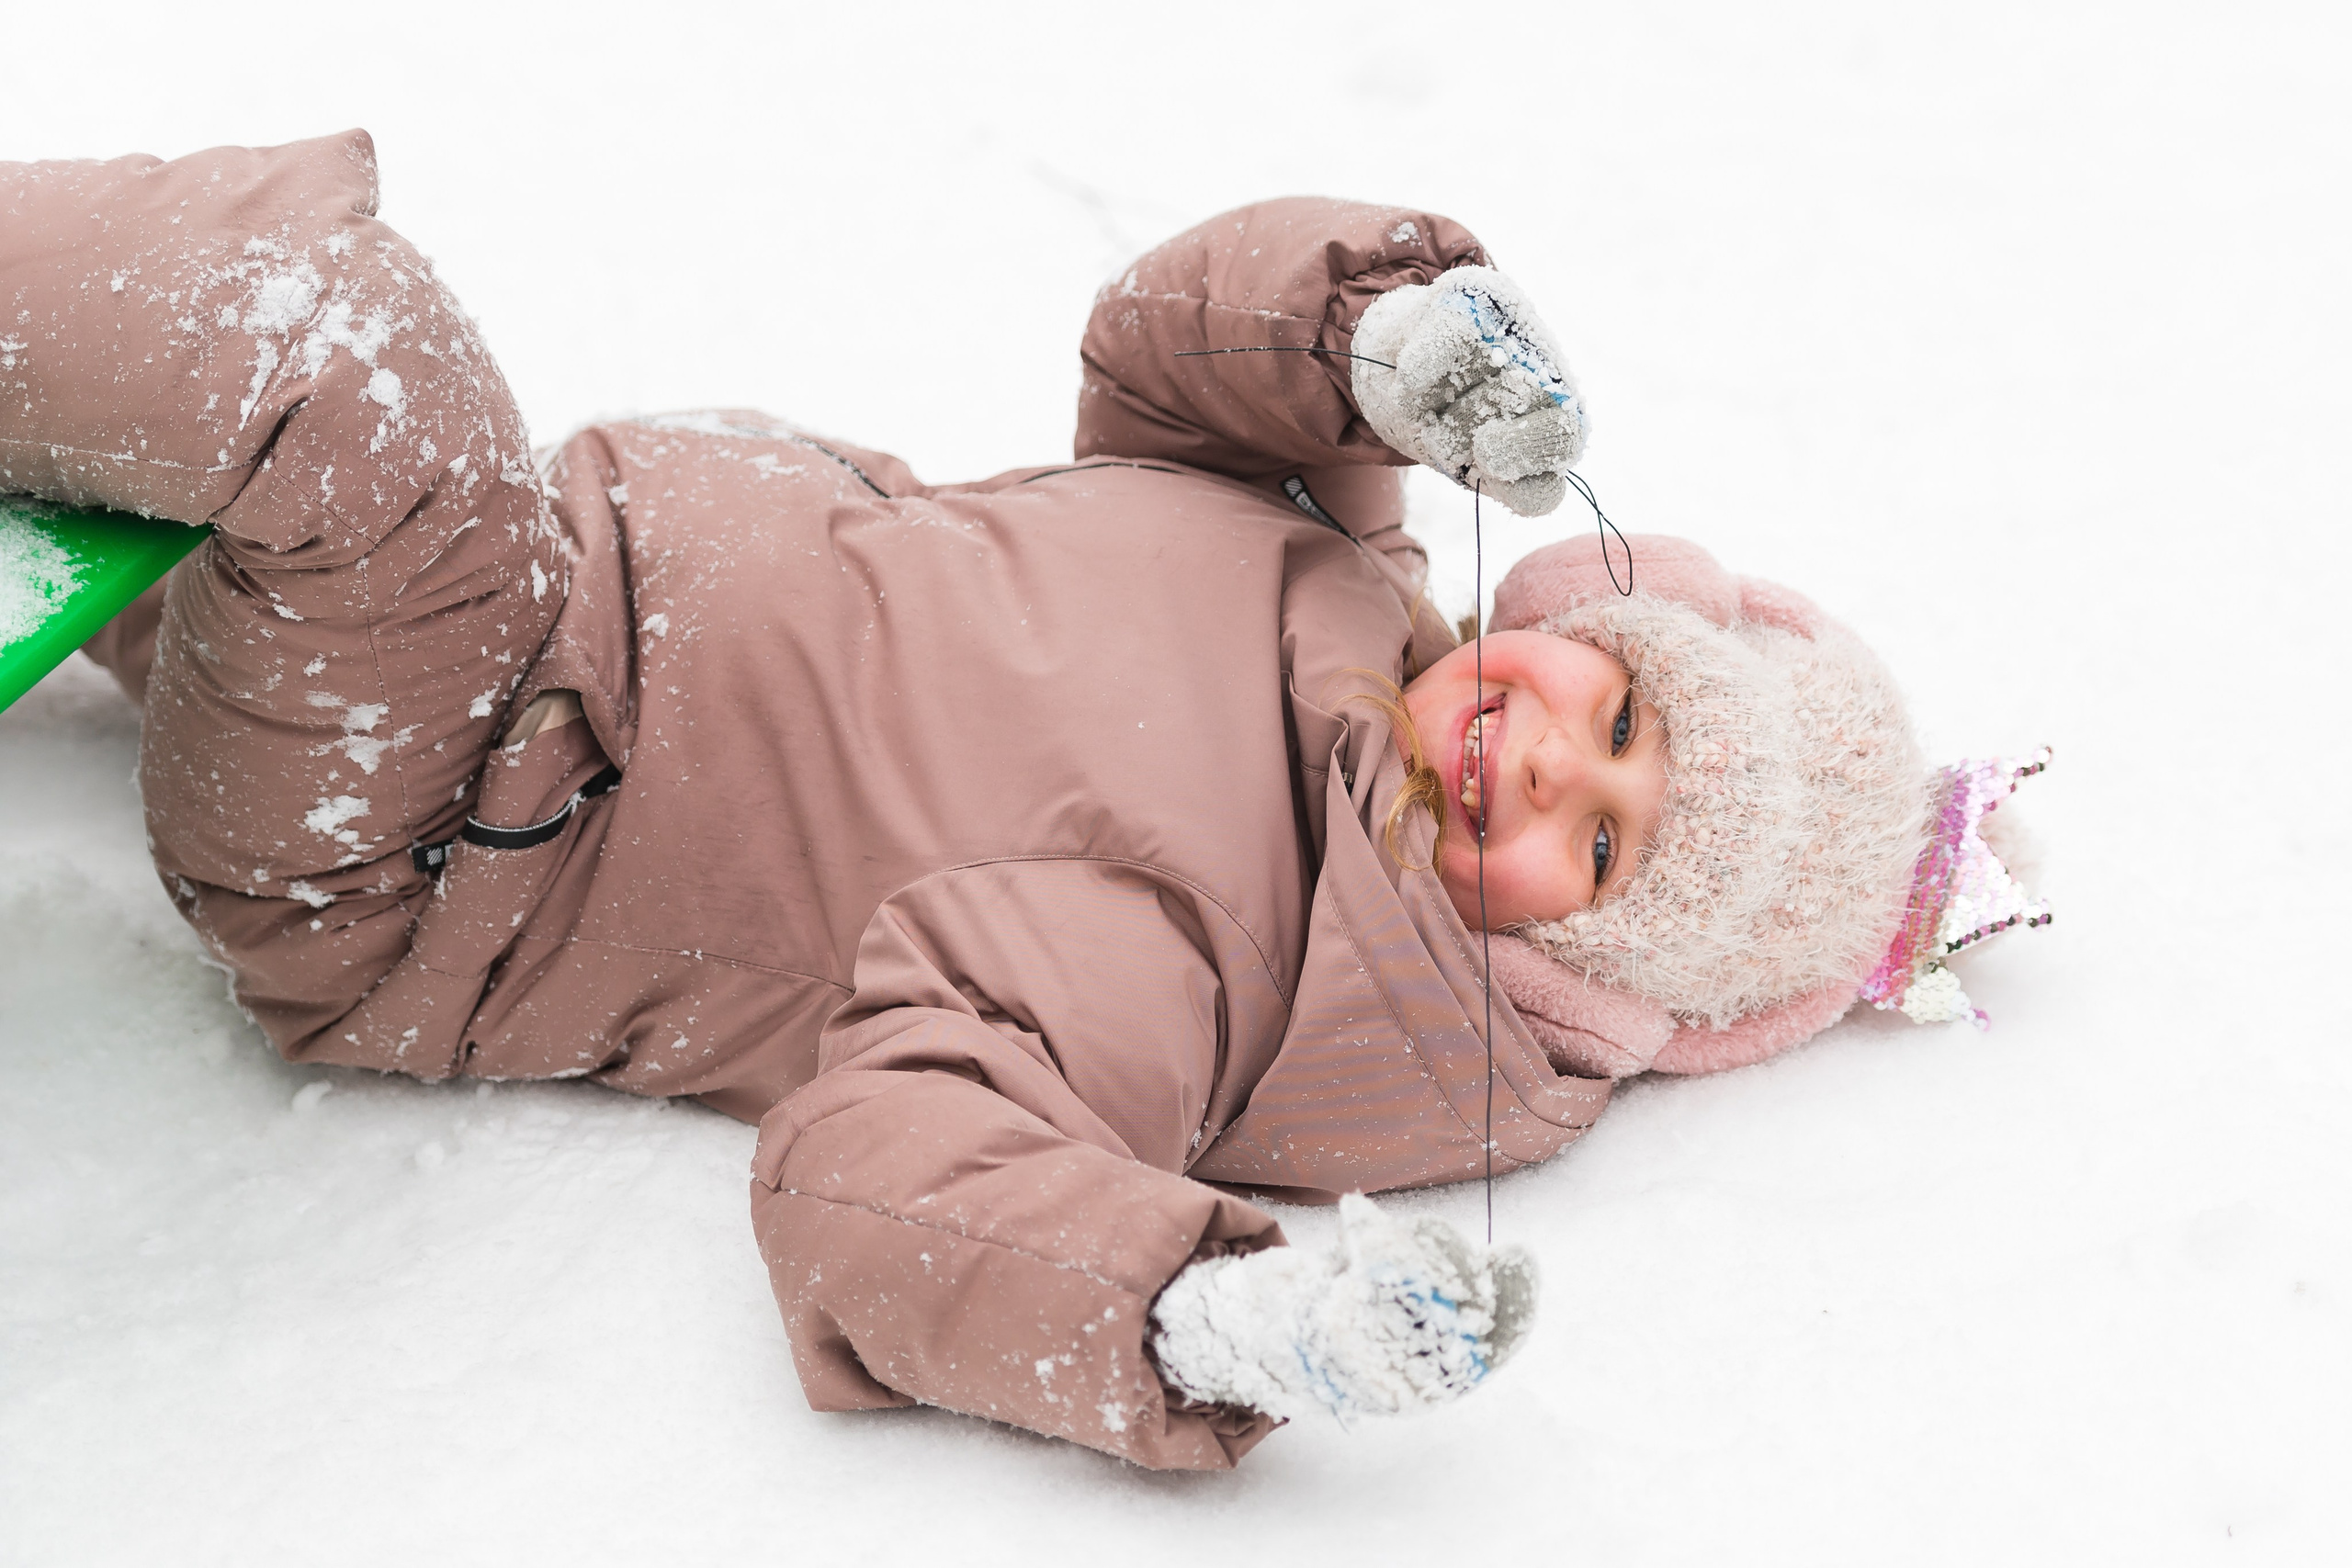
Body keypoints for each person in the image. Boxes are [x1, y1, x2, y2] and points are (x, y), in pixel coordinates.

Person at [2, 131, 2044, 1470]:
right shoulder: (1349, 576)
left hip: (444, 821)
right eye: (1619, 710)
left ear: (1570, 965)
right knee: (181, 460)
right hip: (516, 596)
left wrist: (1190, 1303)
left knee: (322, 350)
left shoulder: (1222, 948)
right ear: (1592, 618)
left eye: (1593, 842)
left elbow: (882, 1163)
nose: (1547, 754)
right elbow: (1168, 371)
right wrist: (1377, 337)